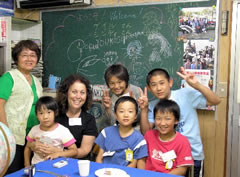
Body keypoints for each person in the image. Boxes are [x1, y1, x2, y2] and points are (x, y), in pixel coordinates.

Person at [138, 67, 221, 177]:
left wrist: (197, 85)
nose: (158, 88)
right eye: (153, 85)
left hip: (192, 155)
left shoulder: (185, 94)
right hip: (163, 158)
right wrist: (144, 109)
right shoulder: (153, 105)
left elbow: (215, 101)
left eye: (162, 83)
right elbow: (147, 132)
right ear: (148, 88)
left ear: (170, 82)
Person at [0, 40, 43, 173]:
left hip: (32, 137)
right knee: (13, 171)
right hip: (12, 137)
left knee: (29, 170)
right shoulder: (9, 77)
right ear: (16, 57)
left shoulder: (36, 81)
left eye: (33, 55)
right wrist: (7, 135)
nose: (29, 59)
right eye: (25, 55)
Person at [95, 96, 148, 169]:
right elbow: (99, 158)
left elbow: (138, 167)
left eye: (130, 111)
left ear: (135, 115)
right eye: (121, 111)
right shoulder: (106, 133)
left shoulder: (139, 140)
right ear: (115, 115)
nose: (126, 115)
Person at [144, 99, 193, 176]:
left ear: (176, 120)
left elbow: (182, 169)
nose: (163, 123)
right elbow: (141, 159)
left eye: (167, 119)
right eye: (158, 118)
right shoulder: (149, 135)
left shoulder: (182, 141)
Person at [24, 96, 77, 166]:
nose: (45, 117)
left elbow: (74, 151)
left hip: (55, 167)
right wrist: (27, 164)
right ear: (36, 115)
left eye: (49, 112)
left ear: (55, 112)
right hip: (36, 167)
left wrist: (57, 154)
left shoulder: (62, 131)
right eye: (41, 113)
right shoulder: (34, 129)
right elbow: (27, 147)